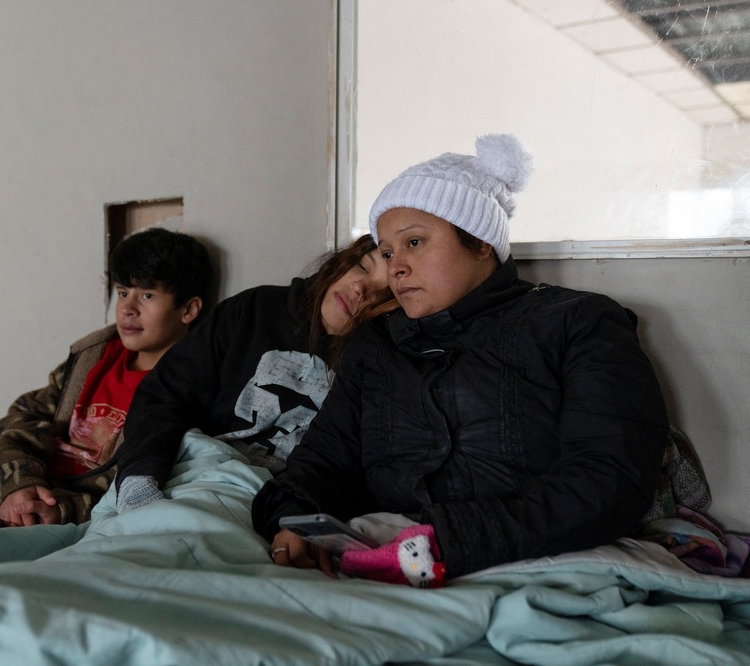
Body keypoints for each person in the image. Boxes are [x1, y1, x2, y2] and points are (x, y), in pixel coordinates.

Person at [252, 134, 669, 587]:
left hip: (524, 558)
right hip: (376, 558)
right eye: (388, 251)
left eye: (415, 243)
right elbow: (323, 460)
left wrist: (443, 541)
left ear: (481, 242)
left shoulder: (578, 322)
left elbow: (609, 479)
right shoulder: (377, 344)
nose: (395, 267)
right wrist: (294, 518)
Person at [114, 234, 391, 512]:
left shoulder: (376, 366)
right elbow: (164, 395)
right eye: (362, 267)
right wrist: (139, 479)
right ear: (341, 262)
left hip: (268, 505)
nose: (359, 288)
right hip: (181, 473)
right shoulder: (255, 309)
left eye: (381, 294)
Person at [0, 227, 212, 526]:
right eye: (123, 292)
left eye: (148, 295)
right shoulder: (96, 356)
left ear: (189, 309)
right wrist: (18, 482)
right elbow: (25, 413)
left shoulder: (186, 389)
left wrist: (62, 510)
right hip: (21, 488)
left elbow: (152, 483)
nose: (128, 308)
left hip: (73, 512)